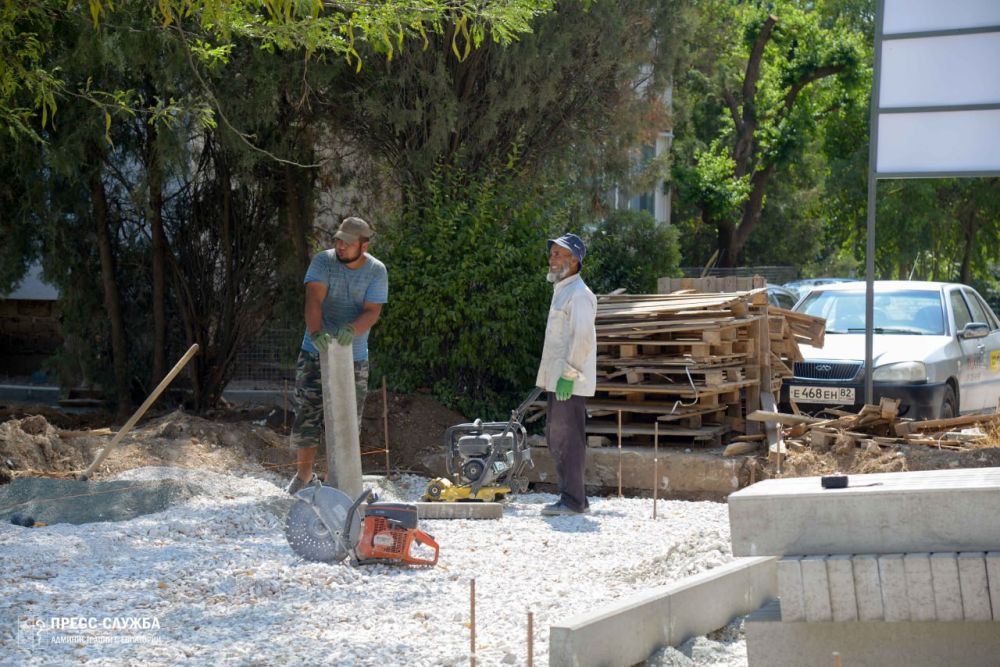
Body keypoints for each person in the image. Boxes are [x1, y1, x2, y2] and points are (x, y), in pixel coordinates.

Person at [286, 216, 388, 495]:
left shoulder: (377, 271)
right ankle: (303, 477)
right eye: (338, 240)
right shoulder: (323, 262)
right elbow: (314, 300)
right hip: (314, 351)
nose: (340, 246)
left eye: (348, 242)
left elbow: (372, 311)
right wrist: (316, 332)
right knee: (307, 413)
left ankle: (336, 484)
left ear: (363, 246)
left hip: (353, 357)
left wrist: (351, 329)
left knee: (346, 420)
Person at [535, 232, 597, 515]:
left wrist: (568, 375)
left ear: (574, 260)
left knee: (568, 438)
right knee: (557, 436)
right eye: (552, 254)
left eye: (559, 254)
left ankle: (573, 501)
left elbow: (582, 338)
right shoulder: (562, 290)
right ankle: (572, 498)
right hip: (559, 380)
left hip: (569, 382)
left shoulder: (580, 295)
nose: (552, 259)